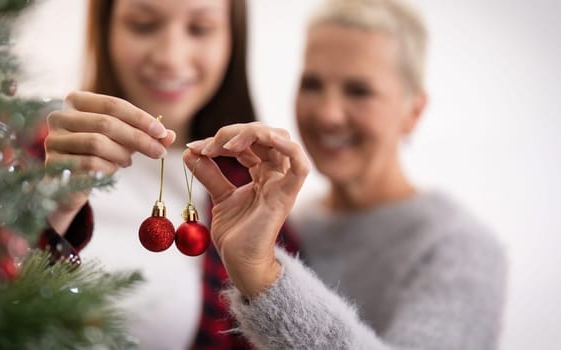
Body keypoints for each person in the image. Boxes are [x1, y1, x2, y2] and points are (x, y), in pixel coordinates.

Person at [184, 0, 508, 348]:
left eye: (359, 91)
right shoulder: (289, 225)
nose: (327, 114)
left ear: (413, 111)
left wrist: (264, 278)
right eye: (312, 84)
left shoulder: (459, 249)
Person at [40, 0, 298, 349]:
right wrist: (46, 213)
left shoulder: (255, 197)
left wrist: (258, 274)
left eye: (200, 29)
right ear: (106, 28)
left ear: (231, 39)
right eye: (143, 25)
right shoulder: (32, 163)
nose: (169, 57)